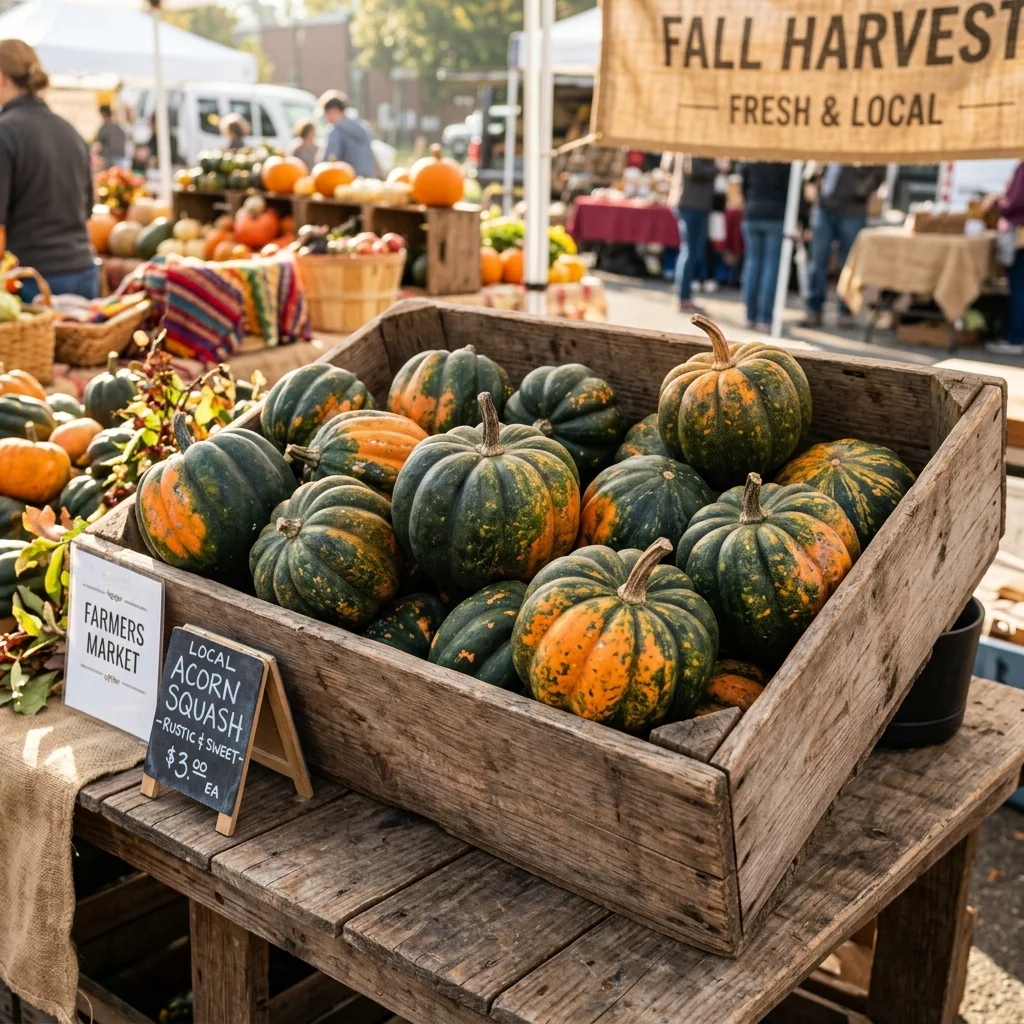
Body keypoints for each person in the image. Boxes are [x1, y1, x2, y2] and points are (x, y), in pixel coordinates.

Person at [0, 40, 97, 300]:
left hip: (31, 281)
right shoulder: (70, 131)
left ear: (1, 77)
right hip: (83, 272)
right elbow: (88, 209)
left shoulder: (5, 132)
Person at [800, 163, 885, 327]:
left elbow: (879, 170)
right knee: (817, 261)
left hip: (852, 209)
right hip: (824, 206)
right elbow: (813, 167)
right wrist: (814, 180)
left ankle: (845, 311)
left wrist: (860, 190)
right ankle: (813, 309)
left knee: (849, 263)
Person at [739, 161, 791, 330]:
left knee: (752, 264)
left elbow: (744, 186)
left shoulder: (753, 158)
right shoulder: (784, 162)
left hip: (752, 211)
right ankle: (765, 318)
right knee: (770, 266)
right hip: (775, 215)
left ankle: (750, 316)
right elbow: (790, 191)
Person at [986, 163, 1024, 354]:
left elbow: (1015, 203)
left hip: (1021, 235)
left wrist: (996, 203)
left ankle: (1014, 338)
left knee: (1019, 287)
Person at [675, 156, 717, 311]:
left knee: (691, 251)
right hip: (693, 204)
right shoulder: (697, 148)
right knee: (690, 251)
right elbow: (695, 169)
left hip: (695, 203)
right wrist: (718, 168)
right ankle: (684, 297)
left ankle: (685, 296)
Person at [319, 90, 376, 178]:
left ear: (333, 111)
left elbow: (330, 159)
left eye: (326, 113)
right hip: (367, 178)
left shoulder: (335, 131)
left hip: (345, 179)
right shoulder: (361, 126)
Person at [95, 104, 127, 169]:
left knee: (108, 175)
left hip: (109, 159)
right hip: (121, 158)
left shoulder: (104, 128)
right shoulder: (118, 127)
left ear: (103, 114)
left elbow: (98, 146)